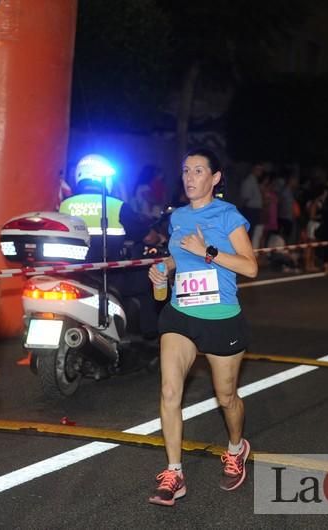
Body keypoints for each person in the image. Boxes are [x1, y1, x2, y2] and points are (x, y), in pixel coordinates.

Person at [147, 147, 258, 506]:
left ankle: (236, 448)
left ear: (215, 178)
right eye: (185, 171)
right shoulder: (177, 217)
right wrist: (163, 268)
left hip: (222, 318)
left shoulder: (229, 217)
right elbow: (178, 258)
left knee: (226, 397)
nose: (189, 177)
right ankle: (174, 472)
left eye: (198, 171)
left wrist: (207, 251)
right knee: (168, 391)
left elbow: (251, 267)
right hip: (181, 313)